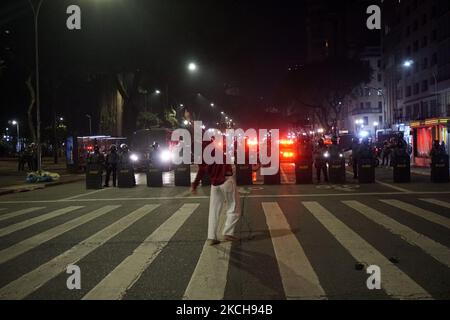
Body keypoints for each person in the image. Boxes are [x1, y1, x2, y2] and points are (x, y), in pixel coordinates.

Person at [191, 143, 241, 246]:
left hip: (214, 184)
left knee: (213, 210)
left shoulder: (201, 157)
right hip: (226, 180)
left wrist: (195, 185)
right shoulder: (214, 149)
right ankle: (228, 232)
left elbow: (201, 171)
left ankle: (211, 236)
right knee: (234, 207)